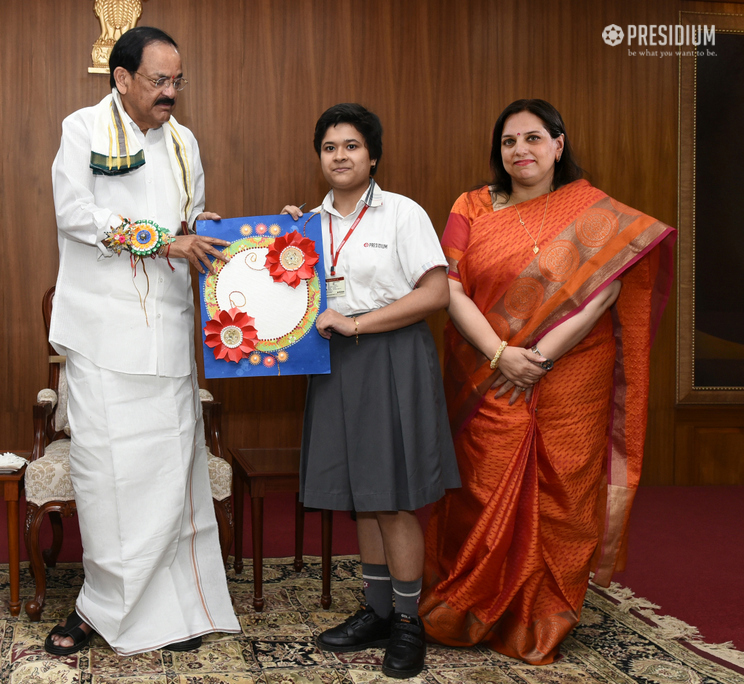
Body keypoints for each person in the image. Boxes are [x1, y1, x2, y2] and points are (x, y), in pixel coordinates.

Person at [420, 99, 676, 664]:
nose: (521, 151)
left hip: (572, 371)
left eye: (533, 138)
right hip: (488, 371)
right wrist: (500, 354)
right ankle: (470, 604)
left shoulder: (595, 213)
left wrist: (538, 354)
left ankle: (543, 613)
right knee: (481, 480)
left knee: (565, 488)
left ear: (559, 144)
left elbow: (606, 289)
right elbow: (451, 287)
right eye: (509, 142)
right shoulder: (473, 205)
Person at [45, 26, 240, 657]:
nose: (170, 93)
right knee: (108, 480)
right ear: (122, 78)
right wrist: (162, 240)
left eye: (177, 81)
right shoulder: (82, 129)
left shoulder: (184, 142)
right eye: (158, 81)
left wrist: (210, 230)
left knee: (168, 474)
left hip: (169, 335)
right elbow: (74, 215)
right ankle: (97, 608)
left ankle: (175, 610)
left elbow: (192, 221)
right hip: (104, 338)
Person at [282, 103, 461, 680]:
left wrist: (359, 323)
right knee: (360, 493)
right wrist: (275, 240)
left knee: (393, 493)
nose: (340, 156)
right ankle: (378, 611)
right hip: (333, 362)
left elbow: (436, 293)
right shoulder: (308, 225)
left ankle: (409, 624)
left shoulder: (402, 214)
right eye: (330, 147)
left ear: (373, 155)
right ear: (320, 157)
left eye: (352, 146)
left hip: (389, 353)